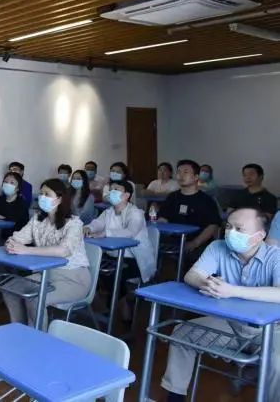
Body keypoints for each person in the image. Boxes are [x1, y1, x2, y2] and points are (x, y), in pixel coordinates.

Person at [160, 207, 280, 402]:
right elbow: (192, 275)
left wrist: (232, 290)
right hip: (229, 324)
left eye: (239, 229)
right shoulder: (217, 247)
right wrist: (208, 283)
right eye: (228, 227)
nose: (231, 233)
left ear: (259, 236)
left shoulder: (275, 256)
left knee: (278, 364)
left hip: (271, 331)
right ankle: (175, 396)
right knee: (182, 333)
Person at [2, 179, 91, 327]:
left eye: (47, 194)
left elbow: (63, 250)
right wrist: (11, 243)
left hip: (73, 279)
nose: (42, 197)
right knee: (10, 289)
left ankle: (36, 337)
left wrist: (26, 250)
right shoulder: (37, 219)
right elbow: (19, 237)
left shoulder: (74, 223)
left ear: (60, 199)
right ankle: (19, 329)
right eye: (41, 193)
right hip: (46, 275)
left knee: (35, 299)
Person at [84, 179, 156, 320]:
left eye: (116, 190)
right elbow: (98, 223)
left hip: (134, 259)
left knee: (114, 274)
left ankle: (116, 306)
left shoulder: (135, 213)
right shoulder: (108, 212)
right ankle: (115, 303)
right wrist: (88, 228)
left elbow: (130, 232)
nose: (112, 192)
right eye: (111, 189)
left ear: (127, 195)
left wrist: (106, 233)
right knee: (92, 267)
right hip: (113, 256)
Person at [158, 160, 222, 258]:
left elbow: (213, 225)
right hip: (174, 239)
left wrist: (195, 243)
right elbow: (163, 218)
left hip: (198, 242)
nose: (181, 175)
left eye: (186, 172)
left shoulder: (206, 200)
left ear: (196, 177)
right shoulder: (172, 197)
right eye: (178, 172)